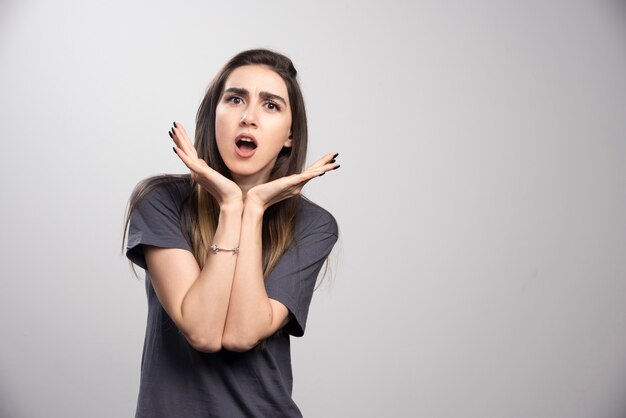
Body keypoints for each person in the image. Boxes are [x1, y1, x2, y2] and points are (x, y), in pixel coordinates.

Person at [121, 49, 340, 417]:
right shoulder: (160, 200)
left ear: (289, 135)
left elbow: (241, 334)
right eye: (235, 99)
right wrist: (230, 205)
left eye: (271, 106)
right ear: (214, 114)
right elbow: (203, 332)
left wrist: (252, 210)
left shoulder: (313, 225)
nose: (249, 117)